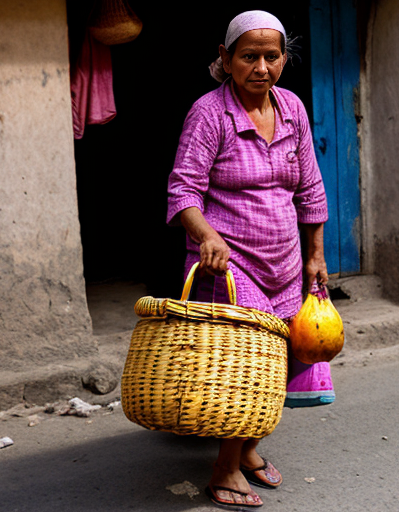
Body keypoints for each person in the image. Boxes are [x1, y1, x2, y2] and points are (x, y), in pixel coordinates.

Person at [167, 10, 329, 509]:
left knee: (276, 363)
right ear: (226, 58)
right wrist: (207, 236)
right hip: (230, 263)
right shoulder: (209, 113)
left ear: (284, 58)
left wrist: (316, 254)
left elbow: (310, 186)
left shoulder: (293, 108)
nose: (261, 66)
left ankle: (251, 451)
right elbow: (183, 191)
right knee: (242, 369)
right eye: (249, 56)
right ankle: (224, 468)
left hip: (284, 261)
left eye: (271, 56)